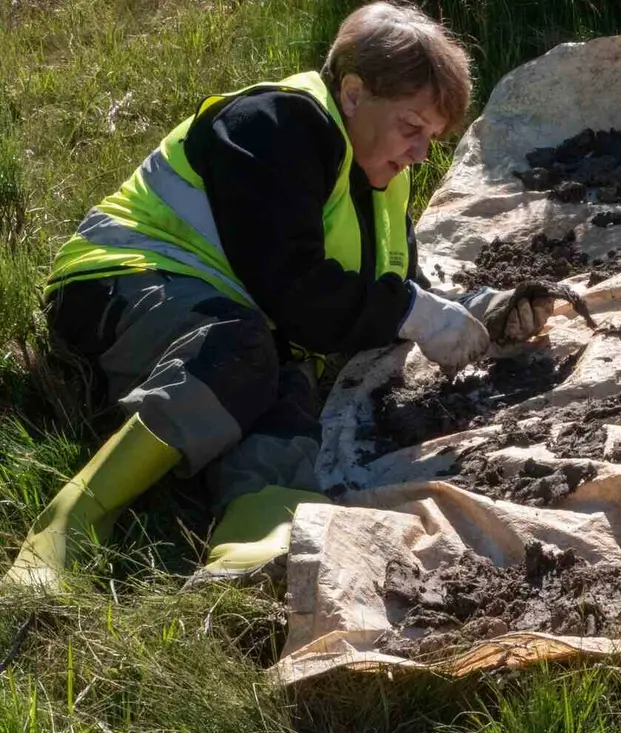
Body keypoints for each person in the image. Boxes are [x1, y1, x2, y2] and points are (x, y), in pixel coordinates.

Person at [4, 1, 555, 590]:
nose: (422, 153)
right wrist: (414, 313)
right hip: (117, 283)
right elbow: (296, 291)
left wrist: (474, 310)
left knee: (289, 386)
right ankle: (73, 520)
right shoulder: (275, 125)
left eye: (433, 138)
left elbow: (390, 288)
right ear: (352, 92)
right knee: (243, 350)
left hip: (231, 316)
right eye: (411, 127)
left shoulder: (380, 170)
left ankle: (250, 541)